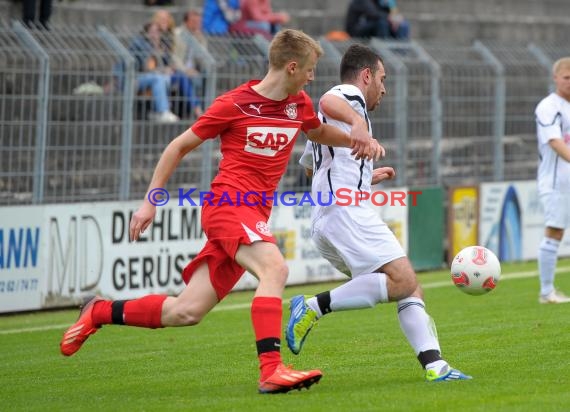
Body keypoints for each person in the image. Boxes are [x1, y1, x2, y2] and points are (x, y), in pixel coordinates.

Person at [59, 29, 383, 394]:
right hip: (228, 206)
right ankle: (271, 370)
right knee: (274, 268)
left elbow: (320, 133)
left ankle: (99, 311)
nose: (311, 77)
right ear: (292, 67)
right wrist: (151, 199)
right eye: (309, 70)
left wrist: (361, 142)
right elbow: (178, 147)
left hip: (253, 216)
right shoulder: (234, 104)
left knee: (186, 311)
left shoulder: (299, 104)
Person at [286, 43, 471, 382]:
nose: (384, 88)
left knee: (408, 286)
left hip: (333, 214)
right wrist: (357, 122)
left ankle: (436, 366)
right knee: (404, 280)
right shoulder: (349, 98)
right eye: (382, 79)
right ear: (367, 75)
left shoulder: (336, 125)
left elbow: (317, 170)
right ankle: (311, 307)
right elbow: (327, 99)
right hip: (346, 213)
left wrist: (365, 178)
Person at [535, 56, 570, 304]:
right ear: (555, 78)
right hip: (557, 182)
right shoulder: (549, 106)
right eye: (567, 78)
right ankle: (546, 292)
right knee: (555, 231)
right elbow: (555, 141)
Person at [129, 22, 179, 123]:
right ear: (146, 33)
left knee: (166, 78)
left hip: (155, 75)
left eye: (157, 32)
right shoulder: (140, 44)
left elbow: (168, 63)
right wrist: (154, 51)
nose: (155, 34)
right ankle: (163, 111)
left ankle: (155, 111)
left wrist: (168, 68)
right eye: (152, 32)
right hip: (137, 77)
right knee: (159, 78)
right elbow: (146, 67)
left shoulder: (162, 45)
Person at [173, 9, 207, 118]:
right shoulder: (177, 34)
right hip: (180, 69)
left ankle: (204, 110)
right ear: (186, 22)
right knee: (191, 79)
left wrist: (199, 40)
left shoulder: (200, 36)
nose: (197, 24)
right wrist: (185, 70)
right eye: (194, 21)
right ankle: (197, 110)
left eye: (198, 22)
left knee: (205, 76)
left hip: (194, 70)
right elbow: (174, 57)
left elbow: (204, 58)